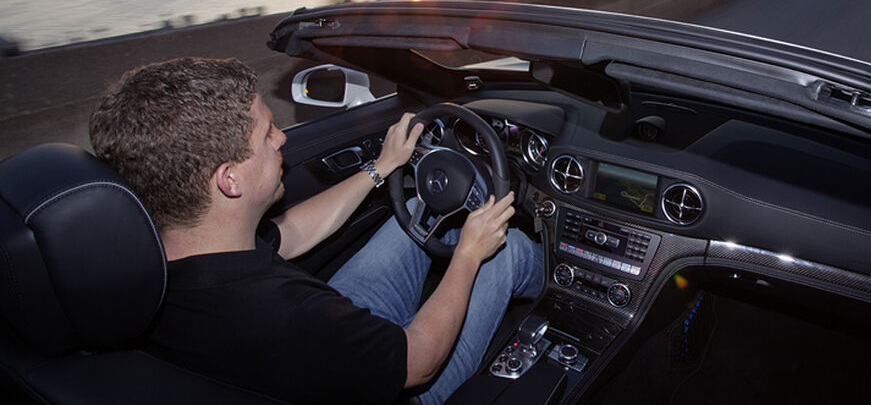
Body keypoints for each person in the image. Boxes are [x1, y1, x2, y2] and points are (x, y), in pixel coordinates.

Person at [89, 57, 543, 404]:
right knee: (507, 249)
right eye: (268, 134)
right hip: (399, 378)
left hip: (331, 348)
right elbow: (418, 363)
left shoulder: (166, 260)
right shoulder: (284, 316)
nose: (283, 138)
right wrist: (467, 254)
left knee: (417, 220)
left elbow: (293, 233)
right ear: (229, 179)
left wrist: (381, 167)